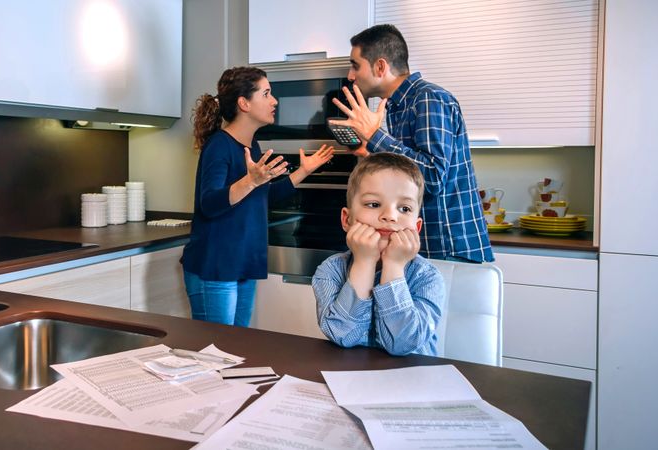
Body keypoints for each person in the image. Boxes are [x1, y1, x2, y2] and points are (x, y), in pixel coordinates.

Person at [180, 66, 334, 327]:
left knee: (236, 351)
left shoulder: (252, 146)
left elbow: (262, 197)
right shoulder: (219, 146)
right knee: (215, 353)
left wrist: (303, 172)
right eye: (266, 94)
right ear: (244, 103)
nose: (274, 101)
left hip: (241, 263)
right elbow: (209, 203)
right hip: (216, 267)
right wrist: (250, 181)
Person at [330, 24, 493, 263]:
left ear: (380, 66)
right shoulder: (398, 106)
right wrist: (369, 151)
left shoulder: (428, 98)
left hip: (449, 248)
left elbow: (433, 176)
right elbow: (409, 172)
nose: (350, 75)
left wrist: (375, 135)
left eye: (355, 65)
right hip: (426, 244)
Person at [313, 152, 445, 356]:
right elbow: (342, 335)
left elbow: (403, 344)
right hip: (351, 379)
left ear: (417, 227)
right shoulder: (330, 270)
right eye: (374, 204)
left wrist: (393, 266)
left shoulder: (427, 277)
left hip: (411, 381)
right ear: (347, 220)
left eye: (404, 208)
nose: (390, 216)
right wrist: (364, 263)